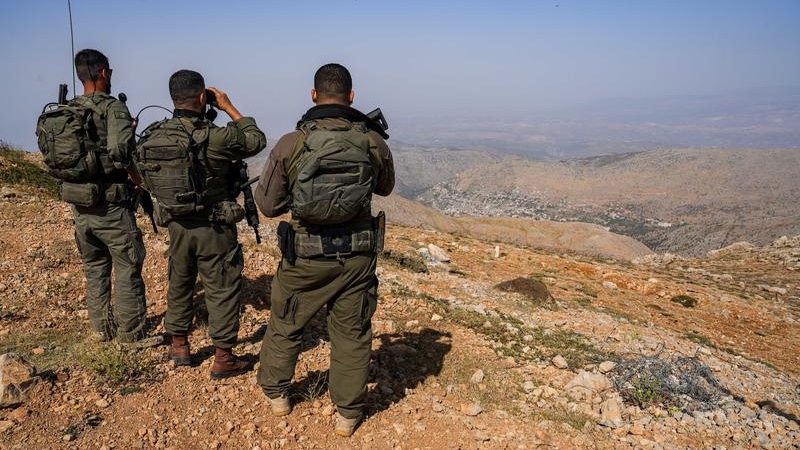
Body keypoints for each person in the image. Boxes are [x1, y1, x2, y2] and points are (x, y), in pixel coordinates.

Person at [254, 63, 395, 437]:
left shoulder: (291, 143)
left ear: (313, 96)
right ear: (351, 97)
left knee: (286, 322)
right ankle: (348, 415)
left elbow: (267, 206)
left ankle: (278, 395)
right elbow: (385, 188)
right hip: (357, 258)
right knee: (351, 332)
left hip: (305, 256)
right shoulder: (371, 141)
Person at [144, 70, 266, 379]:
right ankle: (224, 357)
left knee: (180, 281)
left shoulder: (154, 135)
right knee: (222, 286)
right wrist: (227, 106)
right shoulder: (213, 136)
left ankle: (180, 345)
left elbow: (141, 171)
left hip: (177, 225)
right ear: (203, 98)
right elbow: (256, 139)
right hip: (214, 226)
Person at [68, 49, 162, 347]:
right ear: (104, 73)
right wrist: (142, 182)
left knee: (95, 268)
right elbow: (123, 155)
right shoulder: (113, 108)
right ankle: (131, 335)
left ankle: (101, 330)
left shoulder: (66, 110)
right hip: (111, 205)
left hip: (81, 205)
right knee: (127, 265)